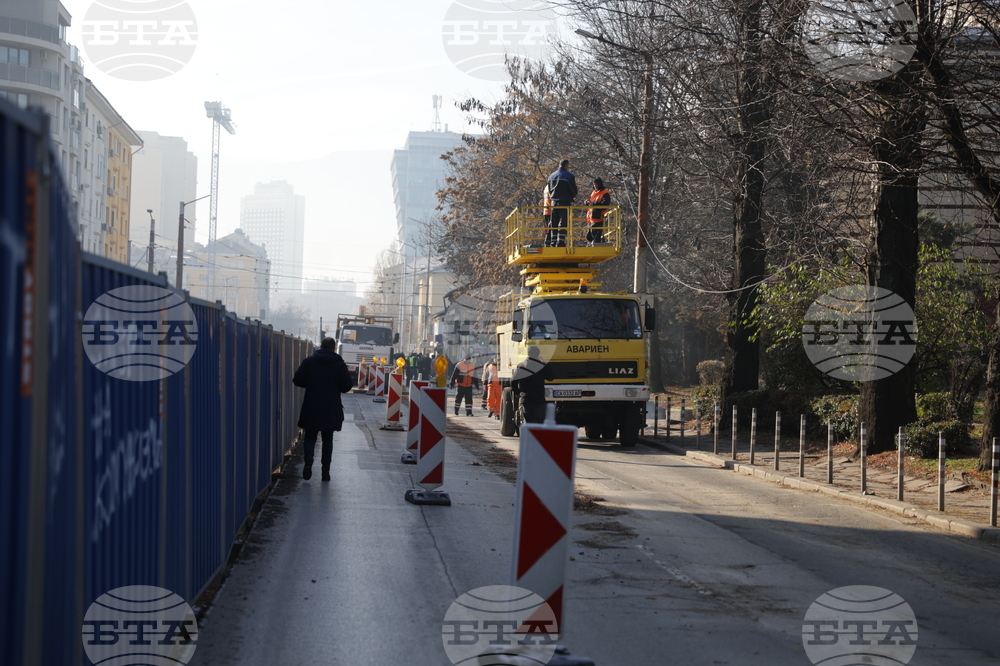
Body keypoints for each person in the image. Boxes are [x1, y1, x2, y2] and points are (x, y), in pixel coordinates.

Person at [292, 337, 354, 481]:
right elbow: (347, 386)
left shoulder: (309, 362)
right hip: (331, 408)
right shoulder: (339, 365)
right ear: (333, 349)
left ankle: (308, 461)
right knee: (327, 438)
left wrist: (311, 382)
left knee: (310, 436)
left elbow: (297, 380)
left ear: (320, 347)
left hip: (311, 405)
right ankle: (325, 472)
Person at [511, 346, 555, 425]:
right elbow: (551, 377)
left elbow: (513, 381)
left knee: (529, 422)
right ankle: (539, 436)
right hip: (539, 398)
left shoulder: (521, 366)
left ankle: (530, 436)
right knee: (540, 422)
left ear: (528, 354)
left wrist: (517, 392)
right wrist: (545, 363)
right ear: (538, 354)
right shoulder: (541, 366)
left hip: (526, 398)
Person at [545, 159, 578, 247]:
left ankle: (553, 242)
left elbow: (549, 189)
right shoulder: (569, 176)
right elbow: (573, 191)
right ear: (566, 166)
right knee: (563, 222)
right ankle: (560, 242)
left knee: (554, 222)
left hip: (553, 203)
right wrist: (571, 196)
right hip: (564, 202)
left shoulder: (551, 176)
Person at [585, 178, 612, 245]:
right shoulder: (594, 192)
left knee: (596, 235)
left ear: (600, 184)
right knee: (589, 235)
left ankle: (596, 244)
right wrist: (587, 202)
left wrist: (595, 203)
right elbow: (592, 202)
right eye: (594, 185)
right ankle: (590, 245)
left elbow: (605, 205)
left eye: (596, 184)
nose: (595, 186)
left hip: (598, 216)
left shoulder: (605, 193)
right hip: (591, 217)